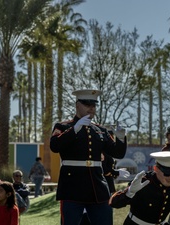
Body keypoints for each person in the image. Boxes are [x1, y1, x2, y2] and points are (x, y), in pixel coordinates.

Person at [50, 89, 127, 225]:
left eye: (94, 105)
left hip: (97, 187)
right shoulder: (63, 126)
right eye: (87, 104)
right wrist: (74, 130)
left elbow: (118, 153)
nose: (91, 108)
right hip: (72, 187)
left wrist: (121, 138)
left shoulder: (100, 130)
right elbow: (55, 146)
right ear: (77, 105)